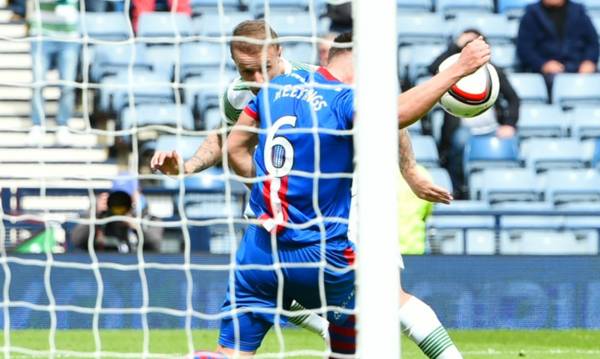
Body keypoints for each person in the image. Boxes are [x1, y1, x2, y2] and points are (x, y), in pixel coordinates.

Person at [151, 20, 452, 345]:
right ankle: (337, 335)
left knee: (386, 296)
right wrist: (187, 165)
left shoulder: (318, 82)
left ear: (279, 53)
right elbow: (227, 140)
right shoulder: (239, 94)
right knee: (275, 284)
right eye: (245, 71)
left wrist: (410, 172)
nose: (257, 80)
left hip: (344, 202)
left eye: (263, 68)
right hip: (279, 216)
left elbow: (388, 117)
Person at [206, 32, 490, 357]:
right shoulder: (341, 98)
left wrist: (271, 191)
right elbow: (394, 115)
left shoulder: (273, 91)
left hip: (258, 247)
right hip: (319, 250)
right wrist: (455, 71)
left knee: (231, 354)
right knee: (379, 313)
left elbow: (234, 148)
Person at [429, 29, 520, 198]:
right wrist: (456, 45)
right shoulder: (452, 72)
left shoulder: (493, 72)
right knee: (459, 143)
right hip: (464, 130)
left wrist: (509, 124)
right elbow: (432, 69)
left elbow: (514, 99)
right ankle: (460, 188)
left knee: (512, 143)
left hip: (492, 127)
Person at [27, 0, 81, 146]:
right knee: (38, 83)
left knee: (68, 86)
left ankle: (63, 125)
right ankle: (37, 125)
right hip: (41, 33)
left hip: (69, 35)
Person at [517, 0, 599, 94]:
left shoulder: (579, 12)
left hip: (579, 68)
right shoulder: (531, 14)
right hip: (547, 74)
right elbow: (524, 49)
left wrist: (589, 61)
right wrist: (543, 65)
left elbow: (593, 43)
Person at [70, 176, 162, 252]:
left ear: (137, 194)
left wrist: (135, 227)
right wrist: (96, 214)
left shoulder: (149, 219)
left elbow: (154, 245)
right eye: (118, 197)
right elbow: (78, 241)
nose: (122, 202)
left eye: (127, 196)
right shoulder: (102, 218)